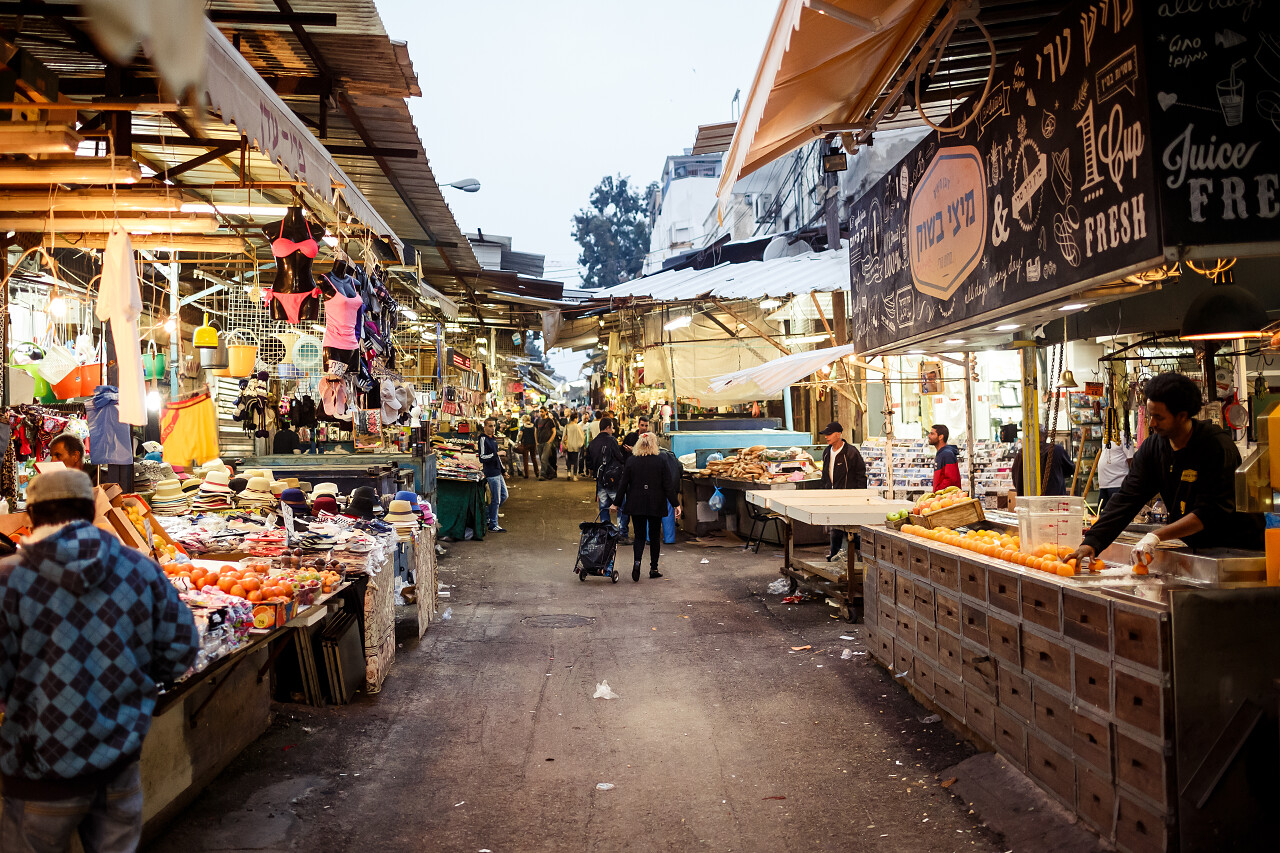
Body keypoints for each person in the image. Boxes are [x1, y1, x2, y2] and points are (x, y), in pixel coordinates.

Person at [0, 469, 199, 851]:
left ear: (31, 517)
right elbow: (179, 651)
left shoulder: (9, 579)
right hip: (117, 763)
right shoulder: (139, 569)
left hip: (37, 773)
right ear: (91, 510)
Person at [1069, 372, 1263, 567]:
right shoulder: (1154, 449)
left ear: (1182, 415)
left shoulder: (1216, 447)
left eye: (1159, 417)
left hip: (1241, 552)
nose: (1152, 423)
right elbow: (1127, 498)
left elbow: (1210, 512)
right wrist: (1092, 542)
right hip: (1199, 551)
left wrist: (1156, 536)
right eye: (1151, 415)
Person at [613, 433, 681, 582]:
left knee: (640, 536)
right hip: (656, 503)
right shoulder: (661, 460)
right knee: (655, 536)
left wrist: (616, 503)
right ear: (653, 444)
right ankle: (653, 568)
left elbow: (623, 485)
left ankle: (637, 563)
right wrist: (675, 504)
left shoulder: (631, 461)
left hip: (636, 503)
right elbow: (668, 485)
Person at [817, 421, 869, 560]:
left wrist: (860, 495)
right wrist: (824, 490)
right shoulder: (827, 452)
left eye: (829, 434)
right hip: (832, 497)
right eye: (825, 434)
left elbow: (861, 474)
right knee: (836, 529)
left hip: (849, 497)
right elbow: (825, 474)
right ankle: (834, 556)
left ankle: (864, 555)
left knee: (851, 530)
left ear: (838, 434)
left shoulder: (851, 452)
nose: (826, 437)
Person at [586, 417, 629, 541]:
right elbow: (619, 457)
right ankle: (622, 533)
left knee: (604, 507)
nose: (612, 430)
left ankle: (607, 534)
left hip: (600, 480)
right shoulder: (611, 440)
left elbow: (588, 463)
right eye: (612, 428)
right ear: (608, 428)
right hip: (613, 481)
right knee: (621, 506)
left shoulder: (593, 443)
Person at [1011, 428, 1076, 496]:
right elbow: (1070, 470)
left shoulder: (1022, 453)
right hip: (1055, 500)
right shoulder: (1057, 450)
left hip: (1029, 501)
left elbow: (1016, 478)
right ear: (1046, 436)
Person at [478, 417, 508, 532]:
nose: (493, 428)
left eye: (494, 426)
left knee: (504, 496)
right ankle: (493, 524)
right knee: (496, 499)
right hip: (491, 473)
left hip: (497, 472)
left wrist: (503, 470)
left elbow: (497, 458)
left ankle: (486, 516)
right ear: (485, 427)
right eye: (490, 426)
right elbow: (482, 457)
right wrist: (496, 453)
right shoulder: (482, 439)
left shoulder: (493, 439)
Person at [1096, 432, 1135, 510]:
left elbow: (1131, 459)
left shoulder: (1125, 436)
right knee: (1103, 513)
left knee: (1116, 511)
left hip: (1118, 483)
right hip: (1104, 484)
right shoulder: (1106, 436)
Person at [927, 424, 962, 491]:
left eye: (932, 434)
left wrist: (938, 490)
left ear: (940, 437)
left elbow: (951, 479)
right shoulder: (942, 453)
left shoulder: (947, 454)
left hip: (947, 498)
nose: (929, 436)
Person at [535, 408, 558, 480]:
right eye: (540, 412)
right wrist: (536, 442)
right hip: (539, 442)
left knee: (543, 458)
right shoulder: (537, 421)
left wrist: (549, 441)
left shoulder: (550, 421)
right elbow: (535, 431)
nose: (540, 413)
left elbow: (554, 431)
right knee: (543, 460)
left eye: (542, 412)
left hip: (547, 443)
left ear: (546, 412)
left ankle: (543, 474)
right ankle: (552, 471)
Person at [564, 413, 586, 482]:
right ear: (576, 418)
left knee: (569, 460)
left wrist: (564, 444)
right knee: (575, 461)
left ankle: (568, 473)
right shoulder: (578, 427)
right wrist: (581, 444)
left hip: (568, 445)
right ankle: (575, 476)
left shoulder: (567, 426)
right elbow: (581, 436)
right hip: (576, 445)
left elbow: (564, 436)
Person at [517, 415, 536, 479]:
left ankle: (527, 474)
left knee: (525, 459)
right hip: (533, 443)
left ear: (524, 420)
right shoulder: (533, 426)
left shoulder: (522, 427)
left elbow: (520, 434)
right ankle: (537, 472)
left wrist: (518, 440)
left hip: (525, 444)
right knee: (534, 458)